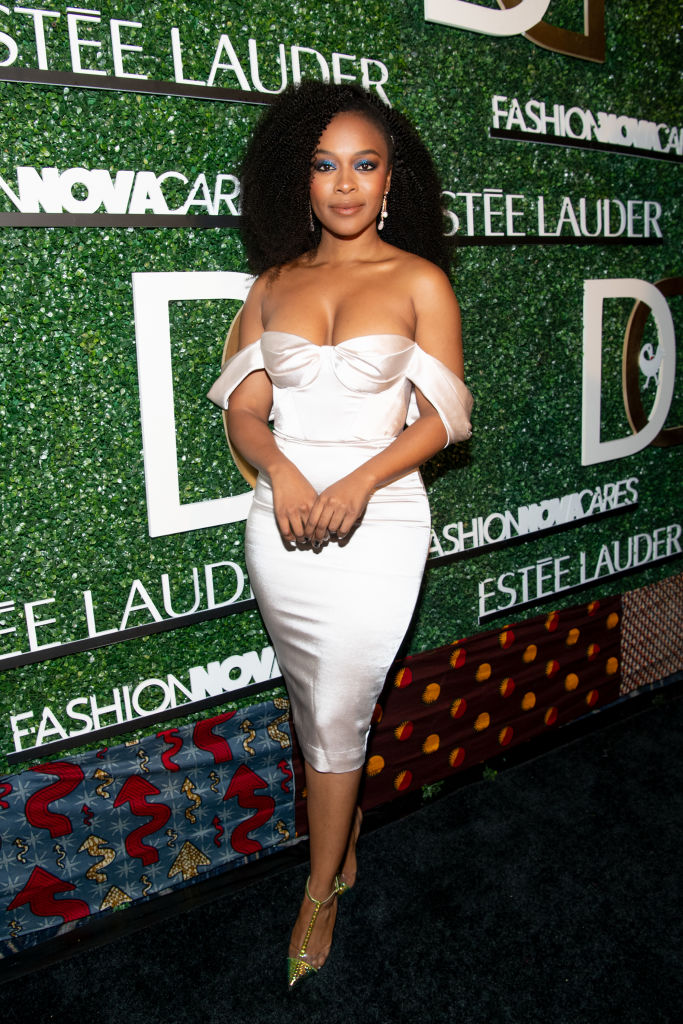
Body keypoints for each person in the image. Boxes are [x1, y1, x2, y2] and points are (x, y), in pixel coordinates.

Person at [208, 80, 472, 987]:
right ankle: (342, 825)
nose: (347, 183)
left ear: (393, 180)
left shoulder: (418, 281)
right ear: (301, 178)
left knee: (335, 710)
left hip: (381, 518)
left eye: (366, 164)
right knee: (308, 695)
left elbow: (442, 420)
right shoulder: (273, 285)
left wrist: (358, 481)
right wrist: (282, 473)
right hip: (281, 525)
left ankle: (318, 891)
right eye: (326, 165)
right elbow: (245, 412)